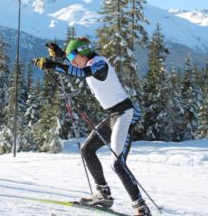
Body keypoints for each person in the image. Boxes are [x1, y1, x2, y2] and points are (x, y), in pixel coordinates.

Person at [32, 37, 151, 216]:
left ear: (83, 52)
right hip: (113, 116)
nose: (71, 61)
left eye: (73, 56)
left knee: (117, 163)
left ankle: (140, 206)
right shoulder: (87, 61)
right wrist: (62, 55)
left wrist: (53, 65)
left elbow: (83, 71)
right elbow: (80, 66)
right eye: (70, 58)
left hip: (126, 114)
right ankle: (103, 193)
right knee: (87, 150)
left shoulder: (99, 63)